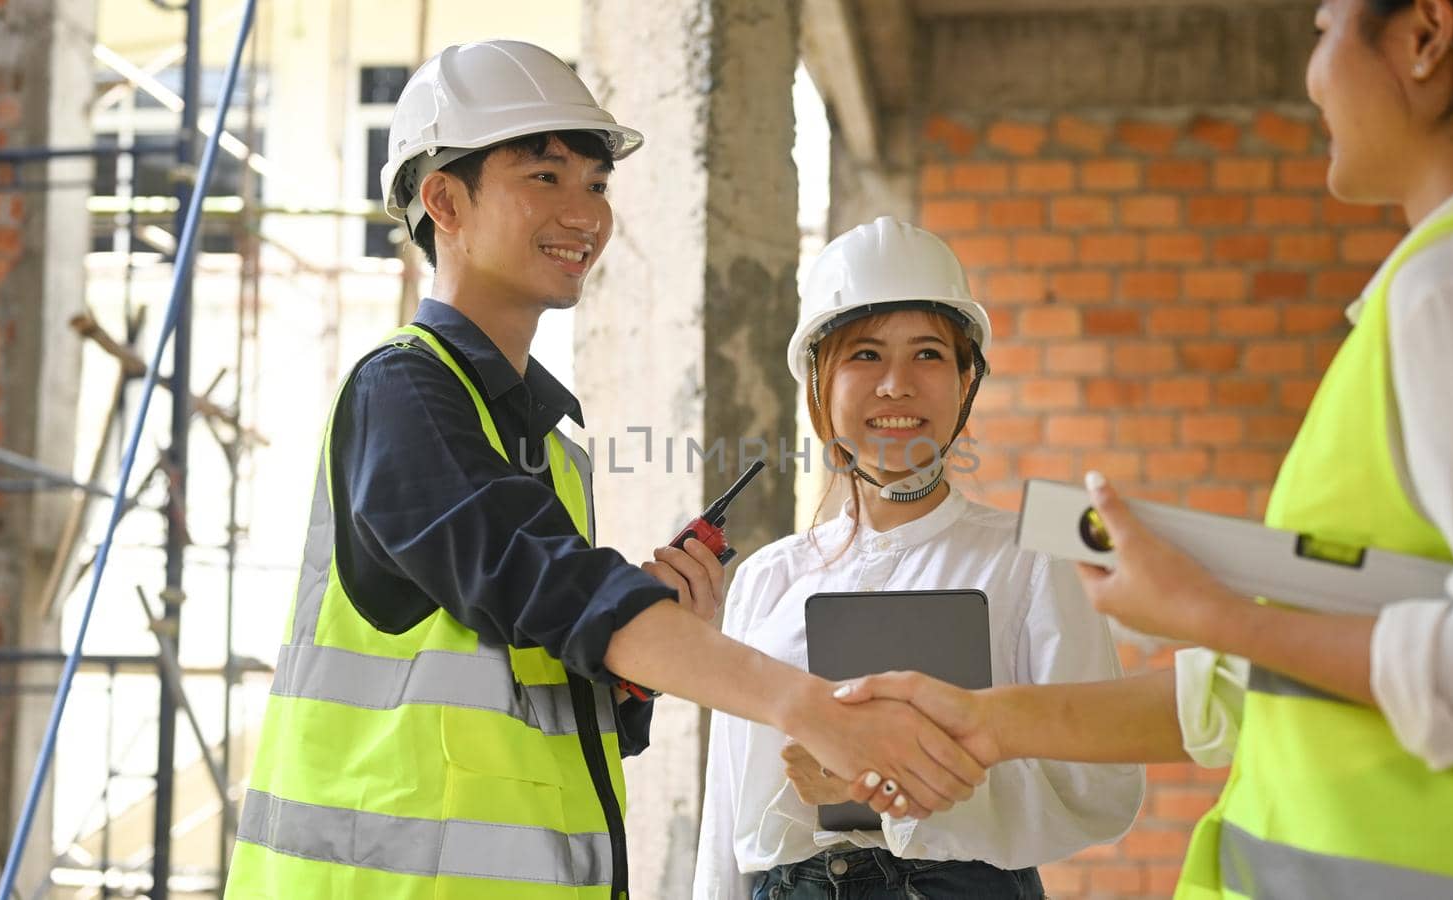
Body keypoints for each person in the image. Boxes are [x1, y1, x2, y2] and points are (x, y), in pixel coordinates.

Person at [224, 42, 988, 900]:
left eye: (596, 183)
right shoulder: (404, 389)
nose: (585, 213)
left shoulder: (548, 445)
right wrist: (808, 709)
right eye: (544, 178)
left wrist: (628, 672)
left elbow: (542, 714)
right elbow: (555, 589)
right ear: (444, 199)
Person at [828, 1, 1453, 897]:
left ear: (1425, 36)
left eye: (1325, 27)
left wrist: (1213, 613)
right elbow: (1249, 689)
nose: (1312, 72)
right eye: (864, 356)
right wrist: (989, 722)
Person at [692, 217, 1144, 900]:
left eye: (929, 355)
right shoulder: (766, 578)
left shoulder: (1030, 558)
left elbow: (1097, 787)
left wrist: (894, 795)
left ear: (968, 382)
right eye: (865, 355)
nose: (897, 385)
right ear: (818, 384)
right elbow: (728, 817)